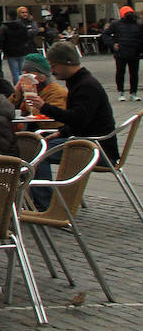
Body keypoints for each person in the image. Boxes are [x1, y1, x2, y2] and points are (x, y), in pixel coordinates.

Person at [28, 42, 116, 208]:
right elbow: (83, 120)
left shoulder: (86, 86)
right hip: (89, 142)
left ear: (66, 63)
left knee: (38, 153)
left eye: (53, 65)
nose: (52, 70)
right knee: (38, 145)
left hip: (96, 148)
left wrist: (44, 107)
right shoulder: (80, 82)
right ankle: (43, 201)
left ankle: (45, 205)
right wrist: (62, 132)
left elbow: (79, 119)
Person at [102, 5, 142, 102]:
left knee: (133, 74)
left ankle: (132, 93)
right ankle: (122, 92)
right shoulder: (116, 24)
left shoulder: (138, 25)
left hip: (133, 52)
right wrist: (112, 44)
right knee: (121, 73)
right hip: (122, 53)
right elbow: (105, 35)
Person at [0, 6, 38, 83]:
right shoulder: (22, 26)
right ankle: (22, 85)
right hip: (22, 50)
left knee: (15, 72)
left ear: (8, 16)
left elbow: (1, 39)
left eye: (26, 12)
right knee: (22, 71)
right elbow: (27, 36)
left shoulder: (5, 26)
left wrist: (3, 48)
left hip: (10, 52)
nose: (25, 14)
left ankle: (18, 86)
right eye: (23, 12)